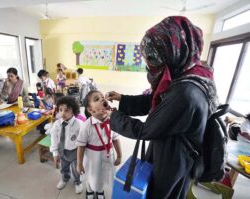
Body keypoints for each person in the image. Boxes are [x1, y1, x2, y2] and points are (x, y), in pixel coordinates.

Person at [105, 16, 218, 199]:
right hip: (172, 150)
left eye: (153, 57)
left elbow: (147, 130)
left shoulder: (185, 93)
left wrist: (112, 116)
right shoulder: (191, 73)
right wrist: (123, 99)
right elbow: (158, 101)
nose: (150, 64)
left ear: (172, 52)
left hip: (173, 160)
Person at [76, 90, 122, 199]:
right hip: (93, 158)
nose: (102, 99)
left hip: (107, 155)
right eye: (96, 99)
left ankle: (100, 190)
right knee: (92, 175)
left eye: (102, 97)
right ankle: (89, 189)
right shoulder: (86, 126)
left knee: (104, 175)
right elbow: (81, 145)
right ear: (90, 110)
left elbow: (115, 139)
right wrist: (79, 163)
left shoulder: (112, 121)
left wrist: (119, 155)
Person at [49, 96, 83, 194]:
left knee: (76, 169)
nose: (63, 113)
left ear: (73, 111)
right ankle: (65, 178)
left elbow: (83, 141)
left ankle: (78, 181)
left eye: (67, 110)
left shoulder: (79, 124)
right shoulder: (57, 124)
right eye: (60, 110)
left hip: (75, 151)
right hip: (62, 150)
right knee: (64, 167)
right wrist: (55, 154)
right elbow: (54, 139)